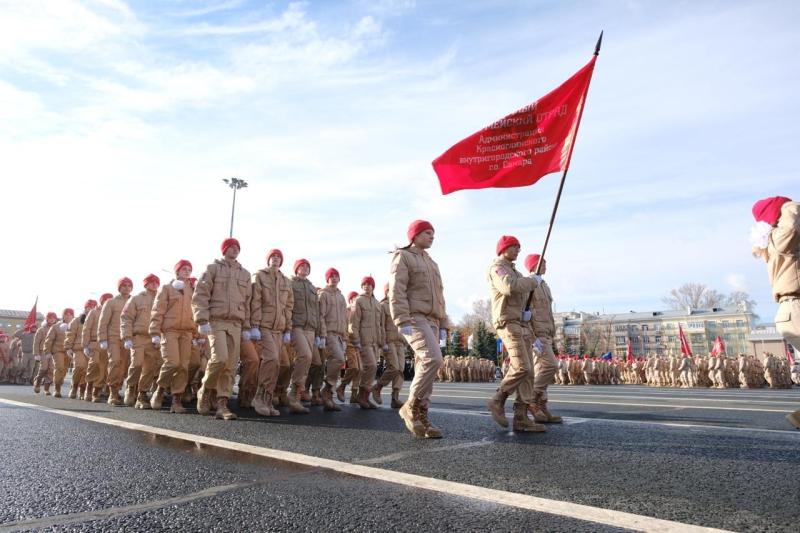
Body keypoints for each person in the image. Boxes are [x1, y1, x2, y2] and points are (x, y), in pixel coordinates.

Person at [389, 220, 450, 438]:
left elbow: (440, 296)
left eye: (433, 233)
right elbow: (397, 290)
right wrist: (401, 319)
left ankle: (422, 415)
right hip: (414, 317)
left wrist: (444, 323)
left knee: (427, 367)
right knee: (433, 359)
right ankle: (410, 406)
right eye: (427, 233)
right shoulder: (404, 257)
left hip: (432, 319)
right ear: (414, 235)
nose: (432, 236)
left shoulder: (432, 263)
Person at [485, 236, 543, 432]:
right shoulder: (497, 267)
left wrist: (526, 314)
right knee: (521, 367)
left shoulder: (515, 270)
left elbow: (521, 294)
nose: (518, 250)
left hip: (520, 323)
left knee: (529, 373)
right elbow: (508, 287)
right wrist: (531, 281)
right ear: (503, 248)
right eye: (514, 247)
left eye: (519, 247)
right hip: (507, 323)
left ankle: (521, 416)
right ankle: (497, 399)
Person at [192, 238, 252, 421]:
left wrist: (247, 326)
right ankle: (205, 389)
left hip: (236, 323)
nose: (234, 250)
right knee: (220, 358)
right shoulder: (213, 268)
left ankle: (222, 404)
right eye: (230, 247)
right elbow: (201, 294)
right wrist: (201, 319)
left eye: (237, 248)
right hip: (216, 321)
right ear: (224, 250)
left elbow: (247, 301)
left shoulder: (245, 274)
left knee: (231, 366)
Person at [250, 249, 294, 417]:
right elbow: (255, 301)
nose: (275, 259)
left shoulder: (285, 281)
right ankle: (259, 398)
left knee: (278, 365)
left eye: (278, 257)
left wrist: (288, 329)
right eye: (273, 257)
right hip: (264, 326)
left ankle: (268, 399)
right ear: (268, 260)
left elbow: (289, 306)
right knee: (271, 359)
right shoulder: (260, 276)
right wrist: (254, 325)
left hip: (279, 328)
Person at [150, 261, 196, 413]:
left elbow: (196, 312)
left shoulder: (193, 289)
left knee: (183, 366)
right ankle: (160, 390)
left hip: (187, 332)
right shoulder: (167, 288)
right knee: (172, 363)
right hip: (170, 331)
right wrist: (155, 332)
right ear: (177, 271)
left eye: (189, 270)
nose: (187, 272)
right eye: (184, 269)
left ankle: (176, 400)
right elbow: (158, 310)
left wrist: (197, 334)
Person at [521, 254, 562, 424]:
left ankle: (542, 405)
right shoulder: (529, 284)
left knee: (541, 370)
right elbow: (524, 312)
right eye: (542, 263)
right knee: (550, 365)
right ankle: (531, 399)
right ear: (533, 265)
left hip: (547, 333)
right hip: (537, 334)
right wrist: (531, 335)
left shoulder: (544, 285)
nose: (545, 266)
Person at [120, 274, 160, 407]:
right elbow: (126, 318)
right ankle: (131, 388)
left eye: (156, 282)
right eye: (151, 282)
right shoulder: (136, 299)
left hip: (154, 338)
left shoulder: (161, 298)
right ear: (145, 284)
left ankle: (142, 395)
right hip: (138, 337)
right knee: (136, 364)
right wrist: (127, 337)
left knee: (150, 368)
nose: (154, 284)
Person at [287, 258, 321, 414]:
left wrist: (320, 333)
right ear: (296, 269)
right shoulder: (290, 283)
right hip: (297, 326)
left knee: (310, 362)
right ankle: (293, 395)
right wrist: (287, 327)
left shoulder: (312, 288)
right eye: (302, 266)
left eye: (307, 266)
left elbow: (317, 312)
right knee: (305, 356)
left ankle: (298, 395)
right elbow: (286, 305)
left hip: (311, 329)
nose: (305, 268)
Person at [349, 276, 383, 409]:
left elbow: (379, 325)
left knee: (372, 370)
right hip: (364, 341)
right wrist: (356, 340)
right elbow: (353, 323)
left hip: (375, 342)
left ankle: (364, 397)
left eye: (369, 284)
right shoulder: (358, 301)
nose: (366, 286)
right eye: (364, 284)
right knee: (372, 366)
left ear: (373, 286)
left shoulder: (377, 303)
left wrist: (381, 341)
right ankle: (361, 395)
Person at [98, 277, 133, 406]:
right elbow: (103, 322)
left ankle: (117, 389)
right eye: (124, 285)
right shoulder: (111, 302)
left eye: (129, 285)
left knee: (124, 365)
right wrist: (102, 339)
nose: (127, 288)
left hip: (128, 338)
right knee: (115, 362)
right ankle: (112, 393)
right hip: (113, 337)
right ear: (119, 287)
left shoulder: (133, 302)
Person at [318, 267, 346, 411]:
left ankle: (328, 394)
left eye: (336, 276)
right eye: (331, 276)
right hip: (328, 333)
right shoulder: (323, 295)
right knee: (339, 359)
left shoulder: (341, 296)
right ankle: (327, 389)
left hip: (339, 335)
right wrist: (322, 335)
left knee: (338, 361)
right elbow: (321, 316)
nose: (334, 278)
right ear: (327, 279)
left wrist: (345, 338)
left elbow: (345, 319)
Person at [377, 283, 405, 408]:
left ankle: (395, 397)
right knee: (393, 366)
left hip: (400, 341)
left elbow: (404, 325)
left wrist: (405, 340)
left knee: (400, 370)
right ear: (386, 292)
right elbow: (380, 325)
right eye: (390, 290)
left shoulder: (401, 306)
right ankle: (377, 387)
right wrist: (383, 342)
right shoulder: (383, 306)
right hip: (389, 341)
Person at [337, 291, 362, 403]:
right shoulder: (346, 312)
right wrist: (344, 340)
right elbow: (343, 326)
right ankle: (341, 387)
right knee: (354, 367)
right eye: (354, 299)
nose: (356, 301)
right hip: (349, 343)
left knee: (361, 369)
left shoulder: (360, 312)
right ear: (350, 300)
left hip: (359, 344)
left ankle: (354, 394)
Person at [64, 303, 88, 399]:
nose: (90, 309)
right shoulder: (77, 320)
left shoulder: (96, 318)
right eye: (88, 307)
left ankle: (83, 390)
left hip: (91, 348)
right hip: (78, 348)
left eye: (92, 307)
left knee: (87, 371)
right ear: (85, 308)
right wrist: (68, 347)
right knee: (79, 367)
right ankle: (74, 387)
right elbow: (70, 334)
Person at [32, 312, 57, 395]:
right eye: (50, 318)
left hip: (53, 352)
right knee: (44, 368)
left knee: (51, 370)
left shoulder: (56, 328)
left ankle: (46, 389)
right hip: (43, 351)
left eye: (53, 318)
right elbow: (36, 342)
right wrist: (36, 354)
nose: (52, 319)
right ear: (46, 319)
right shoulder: (41, 329)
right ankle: (37, 382)